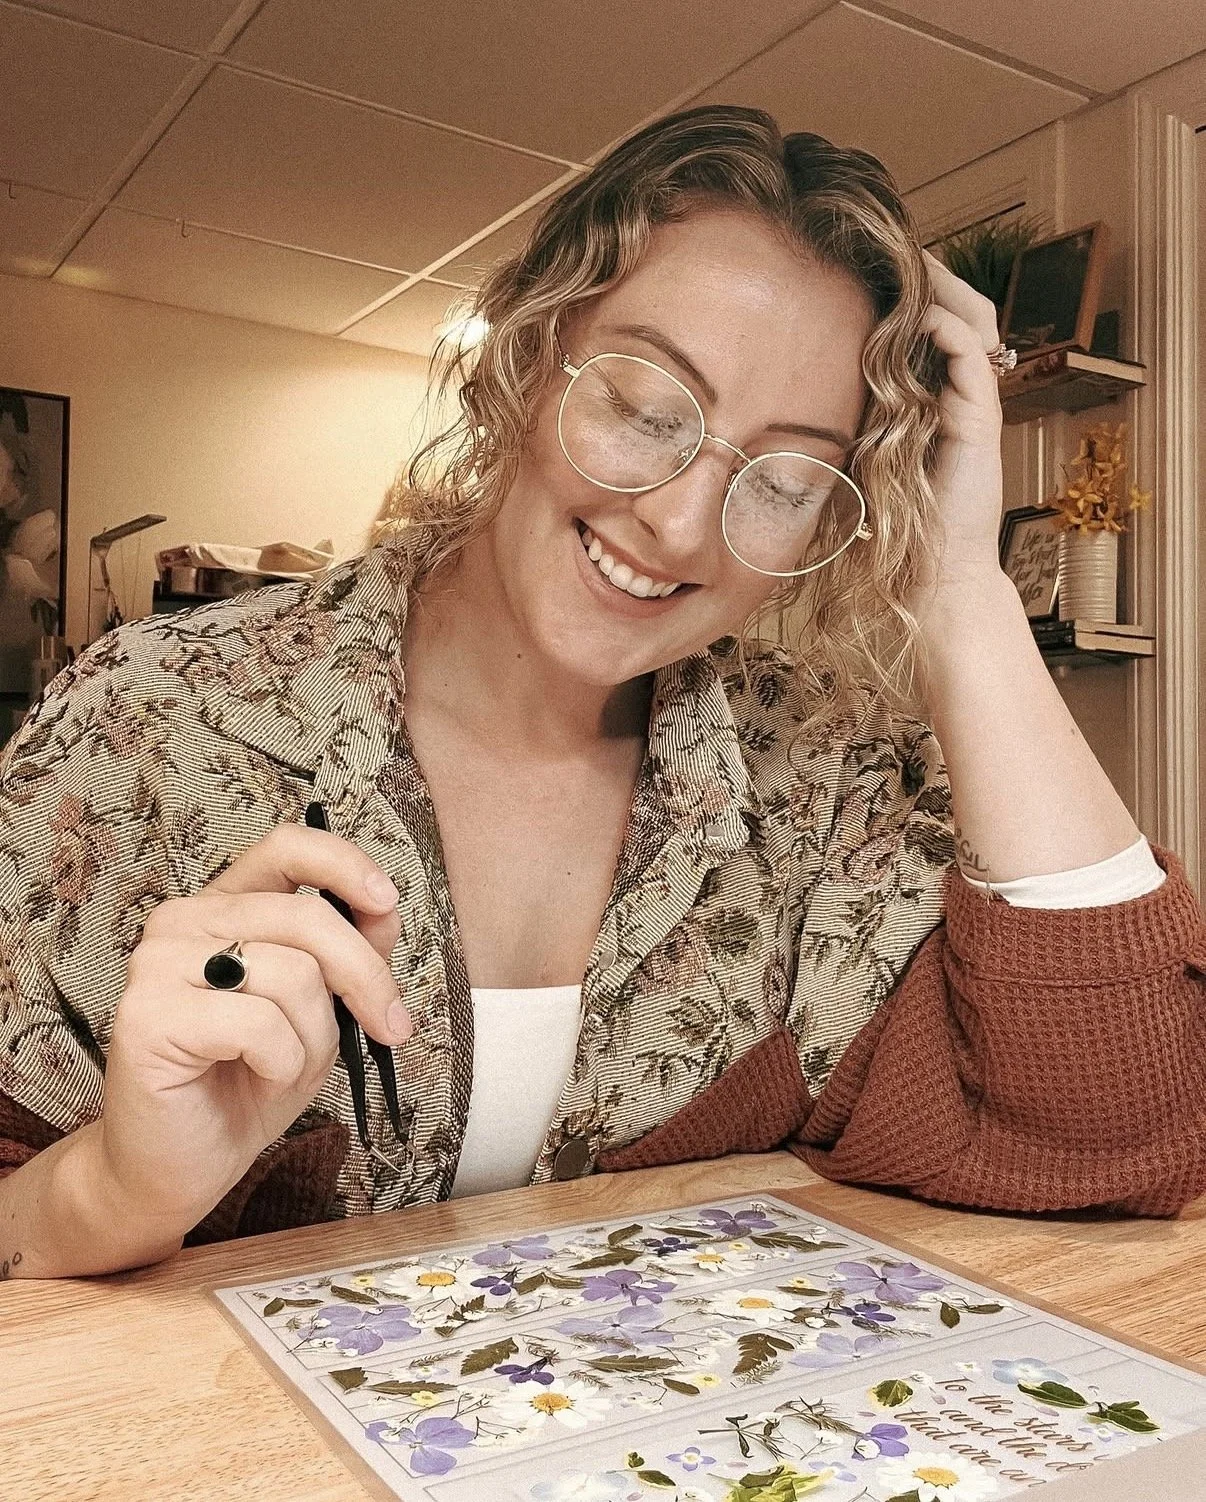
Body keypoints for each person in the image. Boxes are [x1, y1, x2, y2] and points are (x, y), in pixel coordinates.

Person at [1, 107, 1203, 1282]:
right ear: (529, 354)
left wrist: (960, 588)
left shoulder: (821, 785)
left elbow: (1131, 1128)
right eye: (643, 407)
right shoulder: (144, 725)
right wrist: (117, 1186)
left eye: (784, 480)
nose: (681, 523)